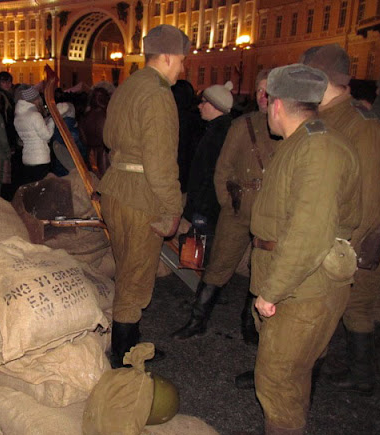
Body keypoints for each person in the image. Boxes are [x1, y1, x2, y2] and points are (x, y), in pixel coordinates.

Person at [231, 64, 361, 435]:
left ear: (277, 104)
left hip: (304, 285)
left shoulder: (317, 150)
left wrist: (272, 291)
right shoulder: (303, 141)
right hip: (297, 280)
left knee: (277, 376)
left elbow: (308, 233)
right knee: (289, 373)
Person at [98, 24, 189, 368]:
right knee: (135, 282)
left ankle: (132, 346)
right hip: (142, 197)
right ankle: (122, 361)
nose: (182, 67)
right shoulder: (158, 93)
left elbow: (108, 137)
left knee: (127, 271)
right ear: (166, 56)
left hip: (117, 191)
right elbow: (161, 160)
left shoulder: (129, 86)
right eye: (180, 60)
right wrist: (173, 206)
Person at [300, 44, 380, 395]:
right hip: (308, 239)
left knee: (315, 332)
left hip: (329, 248)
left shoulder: (360, 125)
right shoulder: (321, 116)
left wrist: (339, 255)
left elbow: (369, 203)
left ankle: (298, 409)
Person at [173, 70, 279, 344]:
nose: (262, 96)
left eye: (268, 91)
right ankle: (198, 320)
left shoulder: (290, 129)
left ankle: (250, 325)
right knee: (217, 266)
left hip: (273, 215)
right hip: (237, 211)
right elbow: (222, 171)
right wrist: (227, 204)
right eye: (259, 90)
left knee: (262, 271)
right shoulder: (242, 125)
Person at [327, 66, 380, 394]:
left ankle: (361, 374)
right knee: (379, 297)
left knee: (358, 301)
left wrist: (360, 235)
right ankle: (373, 363)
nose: (377, 94)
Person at [183, 80, 234, 227]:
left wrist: (194, 210)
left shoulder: (217, 135)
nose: (199, 106)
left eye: (204, 102)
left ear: (215, 106)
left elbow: (207, 176)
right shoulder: (216, 130)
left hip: (206, 210)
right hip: (207, 208)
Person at [13, 86, 55, 184]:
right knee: (41, 187)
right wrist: (52, 121)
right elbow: (47, 135)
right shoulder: (35, 115)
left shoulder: (18, 116)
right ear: (35, 99)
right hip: (40, 158)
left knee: (31, 187)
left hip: (27, 157)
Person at [79, 87, 111, 176]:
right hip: (104, 155)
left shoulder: (85, 116)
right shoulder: (107, 116)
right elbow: (109, 139)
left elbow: (83, 140)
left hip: (90, 154)